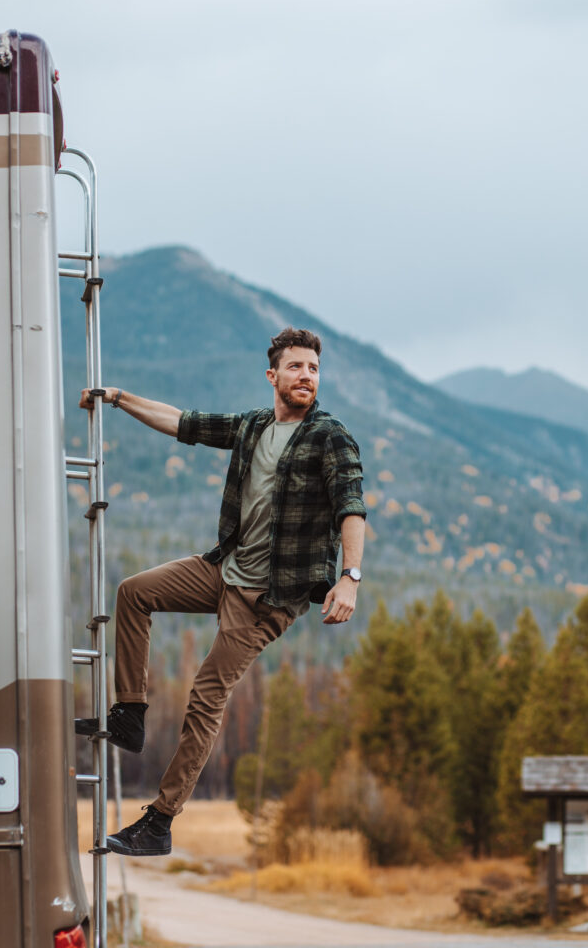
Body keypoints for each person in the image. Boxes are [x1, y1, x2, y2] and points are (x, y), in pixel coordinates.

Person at [75, 327, 366, 855]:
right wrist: (116, 398)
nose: (307, 377)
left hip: (268, 597)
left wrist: (350, 577)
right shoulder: (254, 427)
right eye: (296, 367)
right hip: (225, 569)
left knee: (207, 696)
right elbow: (181, 422)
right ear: (273, 375)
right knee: (134, 592)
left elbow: (351, 507)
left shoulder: (331, 437)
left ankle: (159, 822)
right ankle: (131, 714)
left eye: (314, 369)